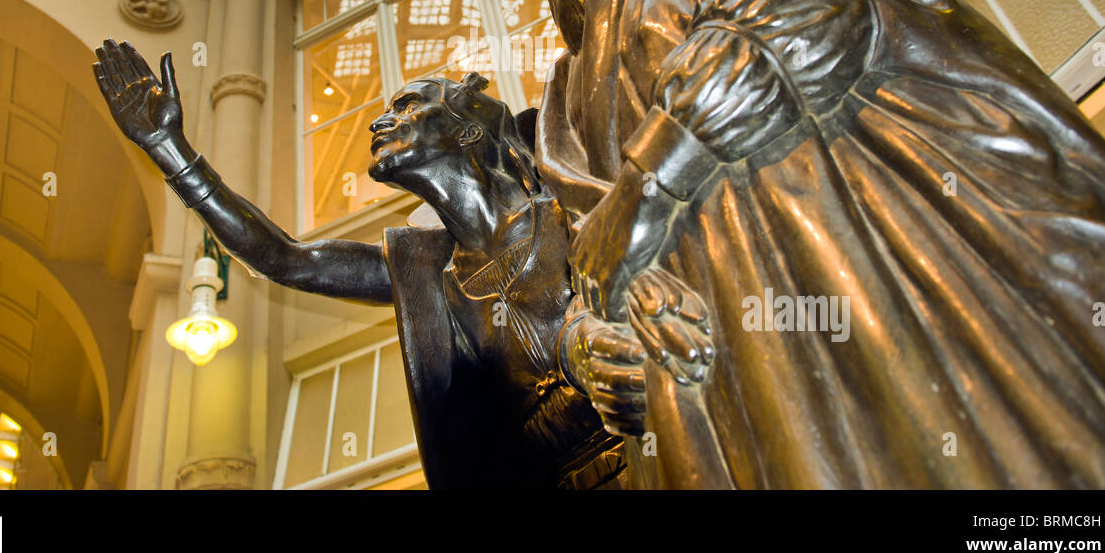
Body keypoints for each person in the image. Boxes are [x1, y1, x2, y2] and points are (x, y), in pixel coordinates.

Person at [452, 0, 1105, 488]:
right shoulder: (564, 95)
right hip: (719, 389)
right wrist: (583, 345)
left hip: (855, 266)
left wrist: (652, 183)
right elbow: (585, 246)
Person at [92, 40, 706, 488]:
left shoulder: (564, 203)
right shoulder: (423, 270)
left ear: (468, 132)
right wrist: (169, 149)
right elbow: (287, 260)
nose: (380, 119)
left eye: (408, 104)